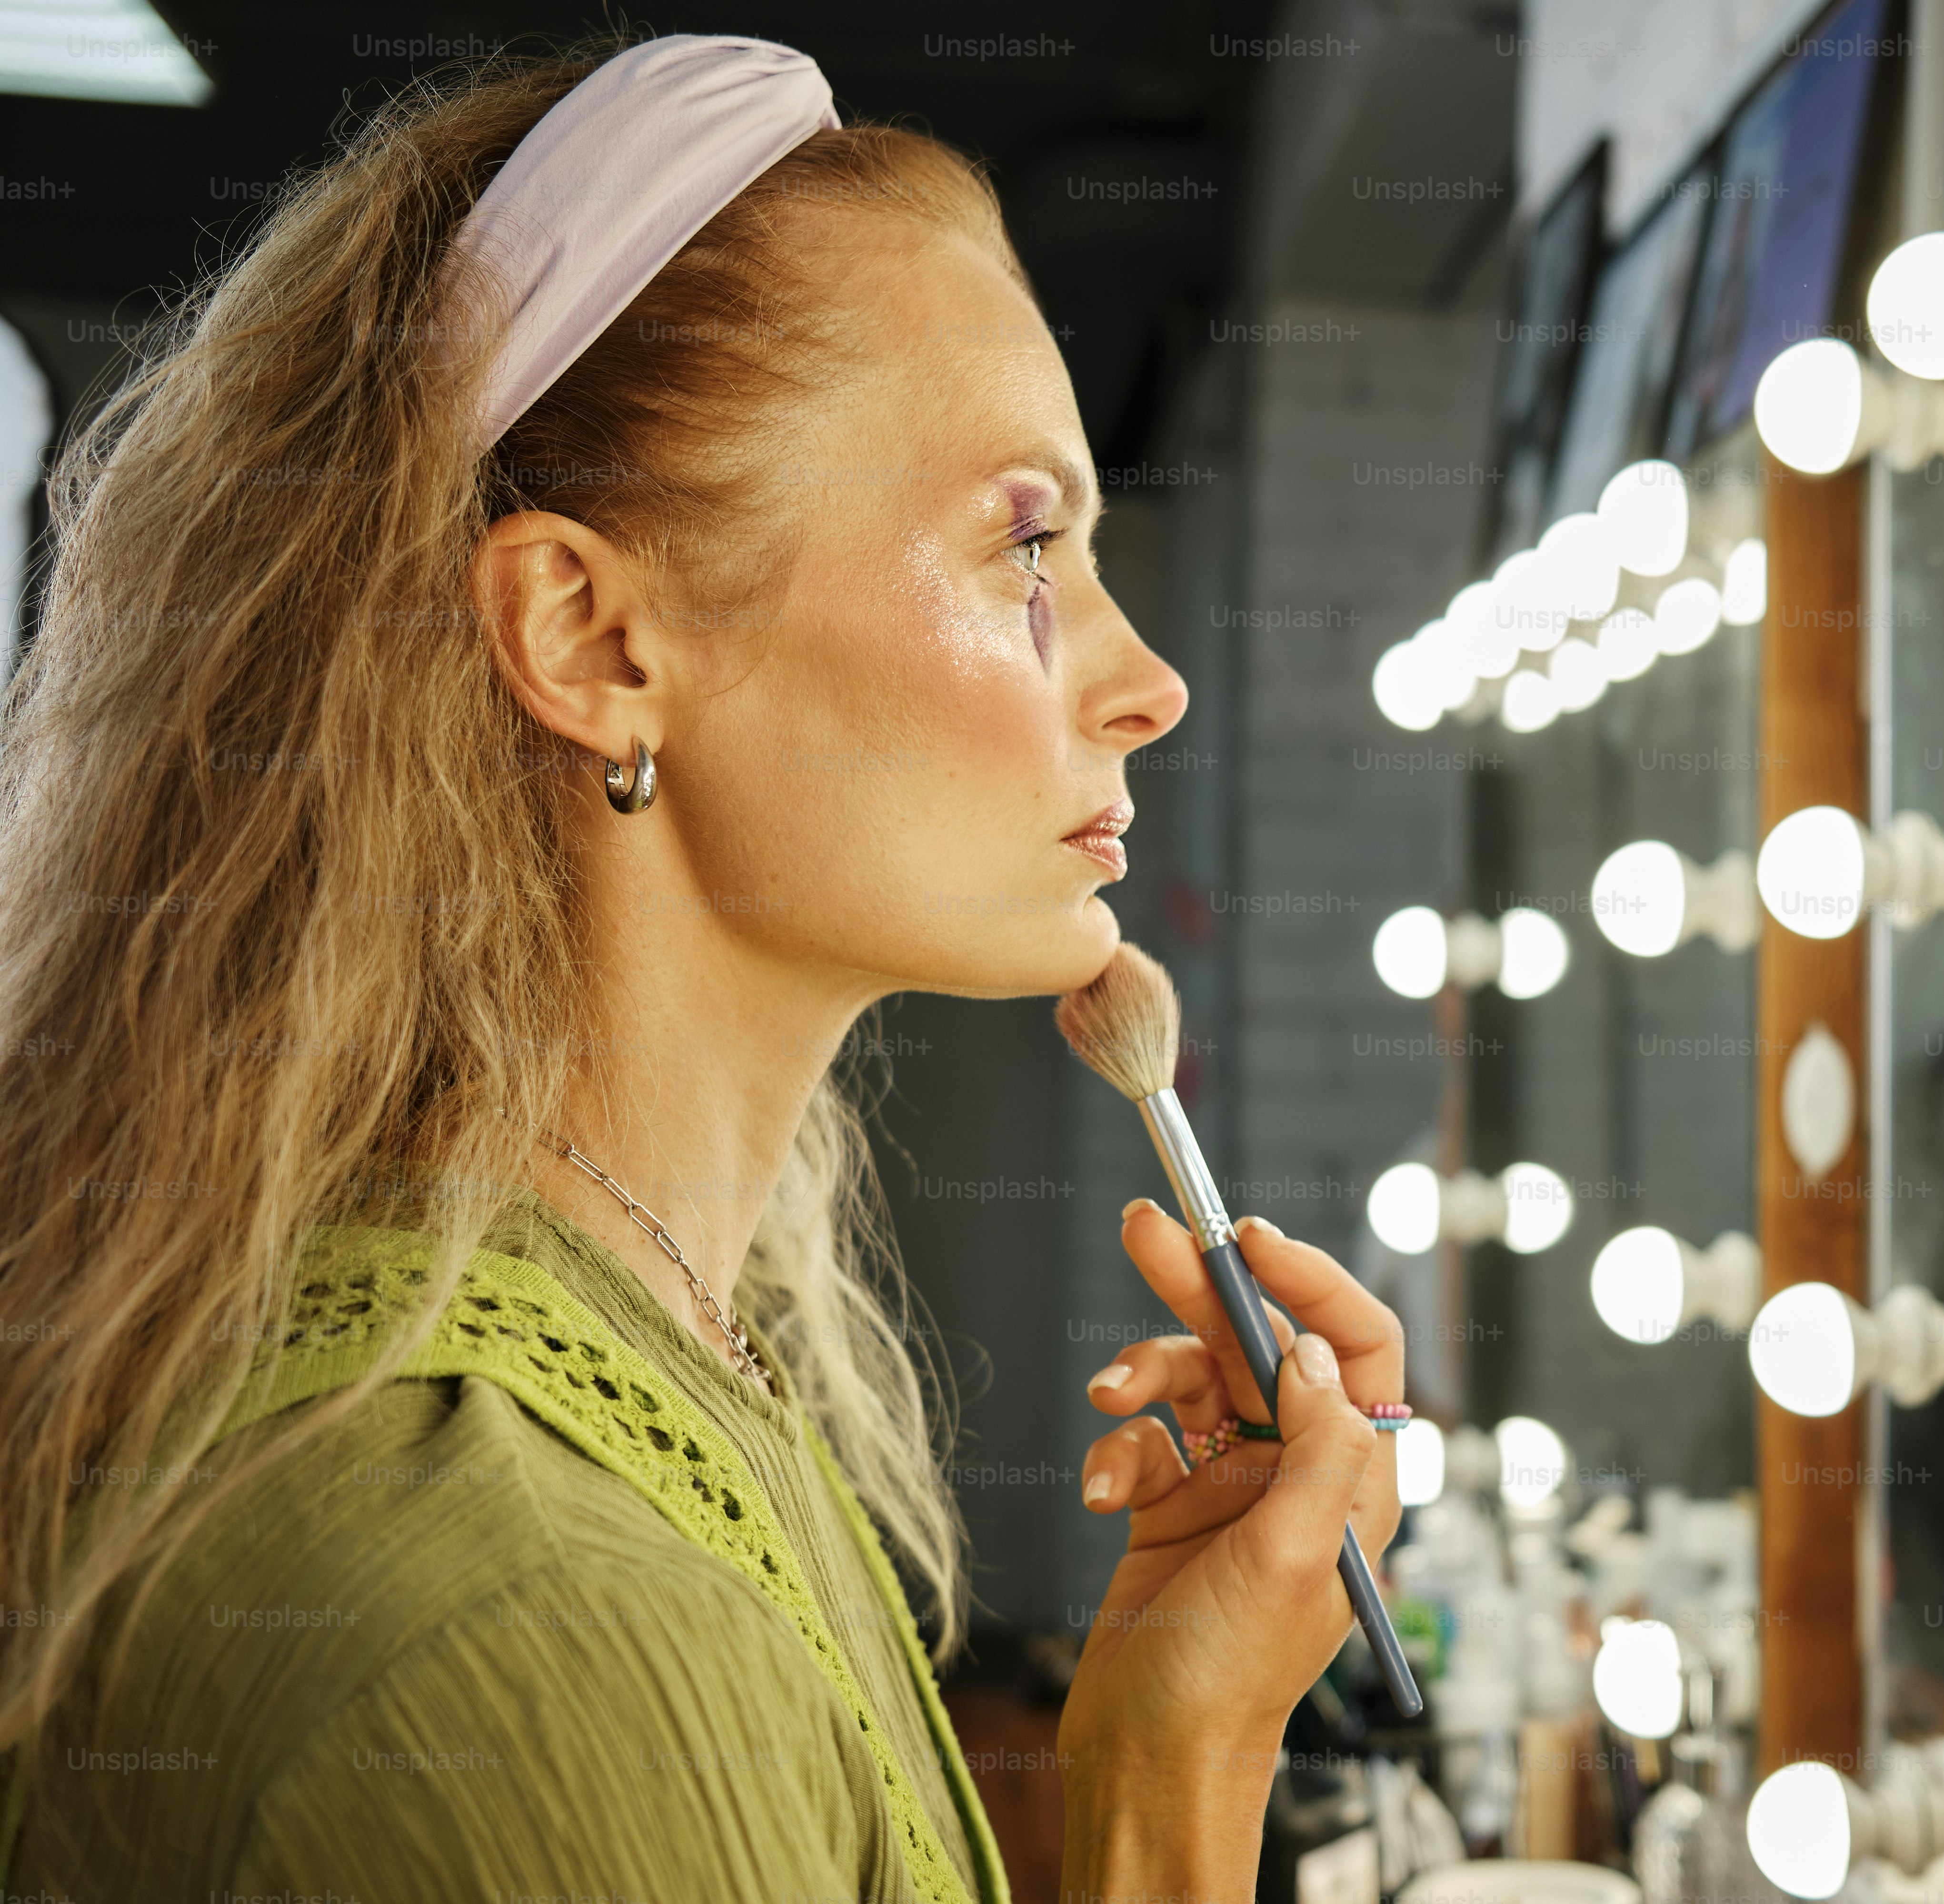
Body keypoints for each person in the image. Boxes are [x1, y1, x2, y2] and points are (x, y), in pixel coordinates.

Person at [0, 35, 1402, 1903]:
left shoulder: (650, 1370)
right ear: (590, 638)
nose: (1151, 683)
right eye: (1025, 546)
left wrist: (1175, 1752)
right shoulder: (523, 1646)